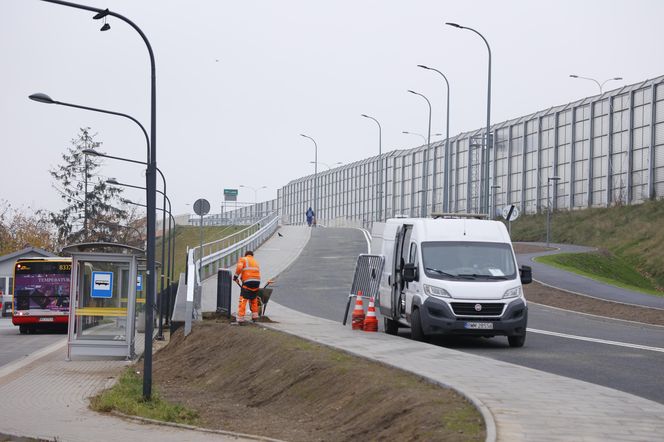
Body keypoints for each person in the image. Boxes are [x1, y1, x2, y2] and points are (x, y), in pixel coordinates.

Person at [233, 251, 261, 323]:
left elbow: (239, 268)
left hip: (248, 282)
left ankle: (240, 318)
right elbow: (250, 272)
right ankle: (255, 317)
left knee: (243, 299)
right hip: (257, 282)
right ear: (252, 255)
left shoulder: (243, 259)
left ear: (245, 255)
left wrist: (235, 277)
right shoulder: (255, 261)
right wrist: (242, 278)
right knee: (253, 299)